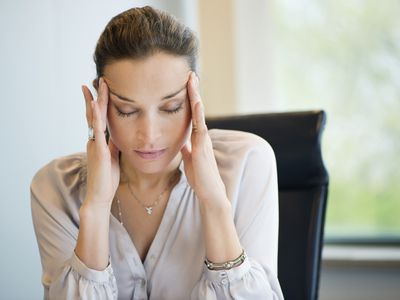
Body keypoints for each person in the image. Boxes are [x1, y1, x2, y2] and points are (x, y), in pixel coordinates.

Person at [30, 6, 284, 300]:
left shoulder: (247, 163)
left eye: (171, 107)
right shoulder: (56, 187)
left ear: (194, 96)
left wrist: (215, 203)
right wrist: (96, 208)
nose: (149, 135)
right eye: (126, 110)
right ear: (98, 105)